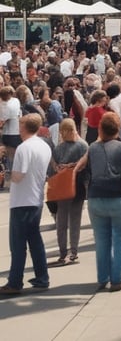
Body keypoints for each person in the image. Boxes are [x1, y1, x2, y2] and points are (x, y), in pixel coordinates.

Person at [78, 112, 121, 292]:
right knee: (120, 239)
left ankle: (102, 278)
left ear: (100, 129)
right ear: (118, 129)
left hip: (96, 197)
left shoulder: (92, 148)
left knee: (101, 239)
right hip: (118, 197)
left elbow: (83, 168)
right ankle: (116, 279)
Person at [1, 113, 51, 294]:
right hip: (35, 197)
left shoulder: (24, 148)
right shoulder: (43, 146)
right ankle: (42, 277)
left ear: (23, 127)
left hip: (22, 200)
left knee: (18, 244)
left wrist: (7, 171)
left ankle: (15, 282)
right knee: (34, 240)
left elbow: (18, 176)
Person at [49, 117, 88, 266]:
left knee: (61, 221)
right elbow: (86, 167)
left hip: (62, 187)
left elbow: (54, 169)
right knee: (75, 221)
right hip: (77, 186)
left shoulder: (58, 148)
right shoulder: (83, 146)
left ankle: (62, 252)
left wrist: (60, 167)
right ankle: (73, 252)